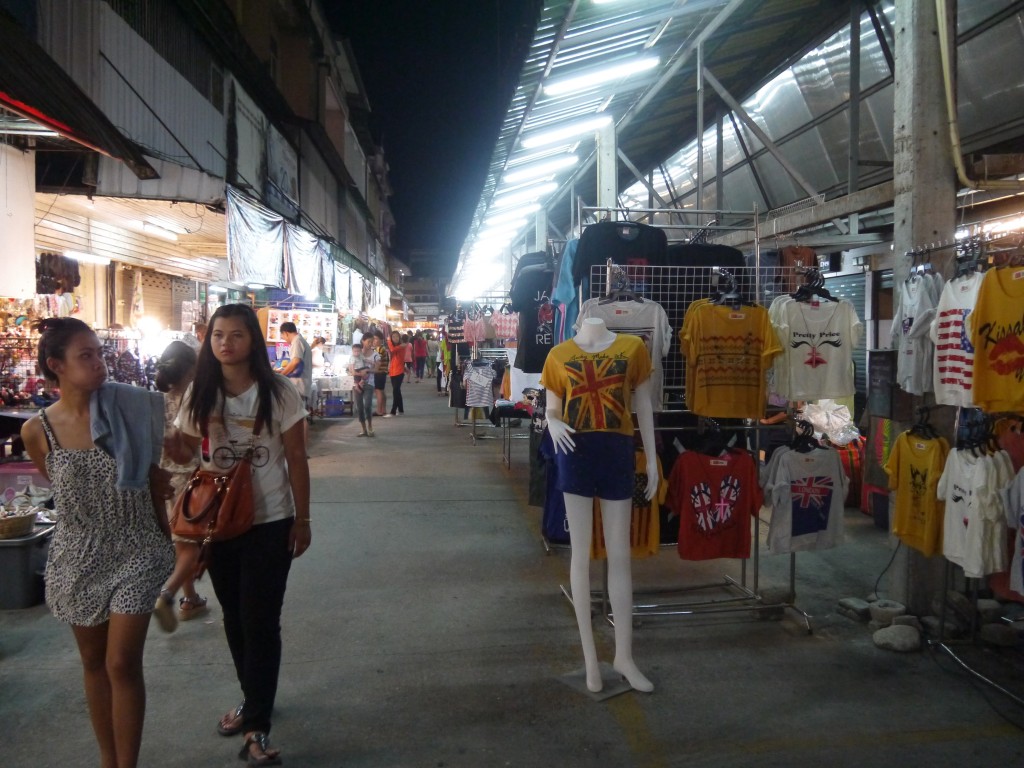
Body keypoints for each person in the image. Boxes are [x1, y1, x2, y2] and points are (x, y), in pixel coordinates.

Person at [20, 317, 175, 768]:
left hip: (137, 545)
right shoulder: (37, 431)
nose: (99, 364)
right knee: (93, 664)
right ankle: (109, 759)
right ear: (56, 366)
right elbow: (63, 490)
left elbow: (157, 472)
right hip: (77, 554)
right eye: (85, 356)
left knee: (122, 662)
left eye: (99, 353)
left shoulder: (130, 409)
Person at [165, 303, 311, 766]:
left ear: (253, 341)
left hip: (270, 520)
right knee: (234, 616)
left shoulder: (279, 391)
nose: (226, 343)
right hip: (218, 523)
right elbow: (187, 450)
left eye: (236, 335)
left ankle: (256, 728)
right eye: (217, 336)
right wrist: (164, 439)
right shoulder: (199, 393)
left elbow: (297, 459)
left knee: (261, 621)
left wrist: (302, 519)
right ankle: (254, 700)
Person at [541, 317, 656, 695]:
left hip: (617, 451)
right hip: (573, 451)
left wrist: (652, 459)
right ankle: (591, 657)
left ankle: (624, 656)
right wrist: (551, 421)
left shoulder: (632, 349)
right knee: (580, 555)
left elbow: (643, 404)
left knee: (619, 555)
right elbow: (552, 406)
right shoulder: (559, 355)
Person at [154, 341, 208, 628]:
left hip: (163, 482)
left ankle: (191, 599)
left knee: (182, 545)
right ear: (192, 369)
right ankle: (168, 593)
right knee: (192, 547)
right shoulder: (195, 398)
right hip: (190, 479)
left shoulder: (156, 401)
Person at [348, 341, 376, 437]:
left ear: (360, 351)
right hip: (357, 374)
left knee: (367, 405)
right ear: (352, 351)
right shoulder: (351, 359)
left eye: (358, 351)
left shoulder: (362, 357)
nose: (356, 353)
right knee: (360, 407)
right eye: (355, 351)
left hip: (368, 383)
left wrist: (371, 363)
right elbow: (352, 371)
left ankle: (370, 427)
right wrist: (361, 374)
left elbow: (368, 362)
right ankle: (364, 429)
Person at [386, 330, 409, 416]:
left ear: (399, 337)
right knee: (397, 391)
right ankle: (401, 410)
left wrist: (388, 340)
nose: (395, 338)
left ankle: (393, 411)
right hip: (392, 371)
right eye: (393, 337)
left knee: (395, 390)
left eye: (397, 336)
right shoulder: (397, 346)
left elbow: (392, 349)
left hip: (399, 371)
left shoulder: (402, 346)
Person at [369, 331, 389, 416]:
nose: (374, 341)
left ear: (381, 340)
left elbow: (377, 361)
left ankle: (379, 410)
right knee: (381, 391)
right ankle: (383, 409)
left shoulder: (380, 349)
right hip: (382, 372)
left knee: (378, 391)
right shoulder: (380, 348)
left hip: (379, 372)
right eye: (373, 339)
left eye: (376, 339)